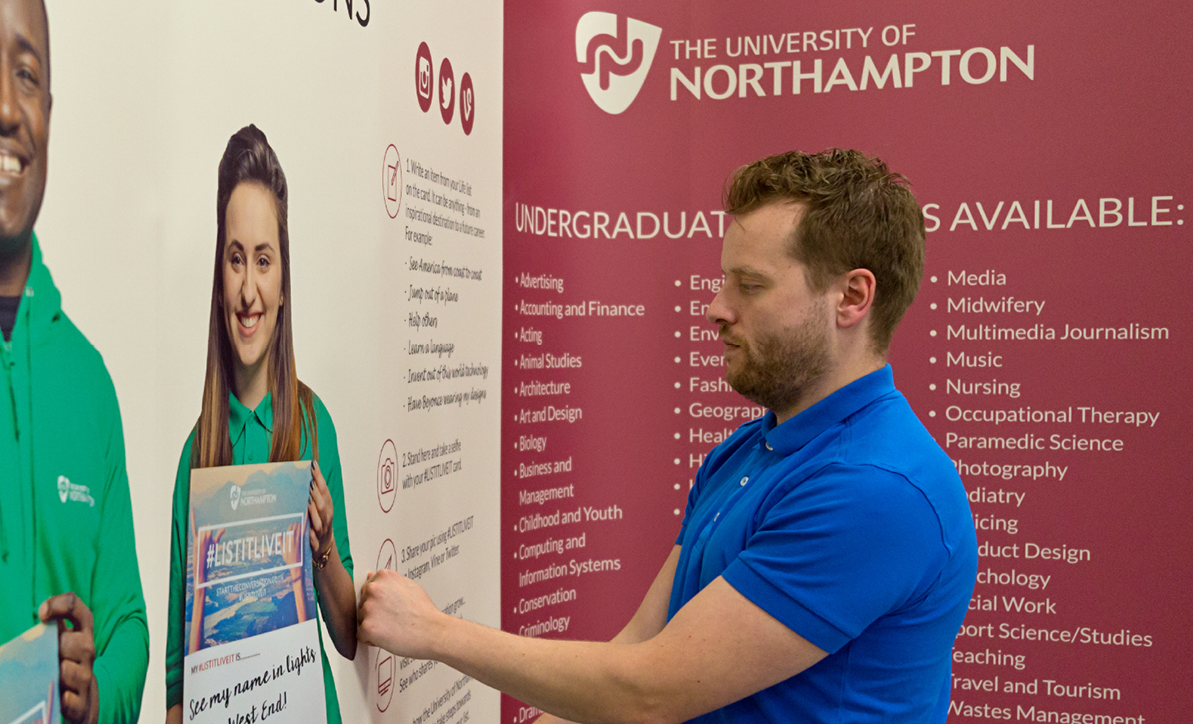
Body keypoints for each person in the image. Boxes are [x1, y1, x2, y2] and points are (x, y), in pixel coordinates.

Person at [359, 149, 978, 724]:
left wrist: (435, 633)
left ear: (852, 296)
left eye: (751, 284)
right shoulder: (747, 451)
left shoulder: (875, 490)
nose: (716, 306)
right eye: (723, 279)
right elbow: (641, 648)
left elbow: (650, 691)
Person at [0, 0, 149, 724]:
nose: (2, 106)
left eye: (25, 73)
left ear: (50, 109)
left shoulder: (88, 381)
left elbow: (128, 625)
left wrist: (96, 694)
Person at [165, 124, 357, 724]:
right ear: (219, 274)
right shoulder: (196, 458)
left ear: (283, 281)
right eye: (236, 259)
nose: (249, 289)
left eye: (265, 261)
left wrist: (323, 549)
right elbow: (178, 680)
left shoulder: (312, 427)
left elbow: (350, 637)